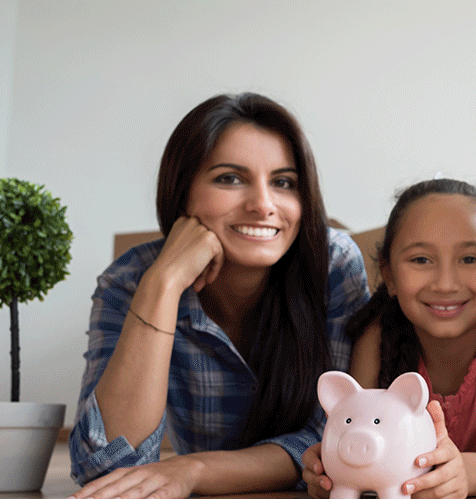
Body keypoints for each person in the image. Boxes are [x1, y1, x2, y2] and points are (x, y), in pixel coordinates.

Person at [68, 93, 370, 499]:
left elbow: (335, 438)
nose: (263, 205)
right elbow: (107, 465)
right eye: (230, 178)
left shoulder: (332, 264)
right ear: (182, 191)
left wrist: (190, 470)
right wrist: (164, 283)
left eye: (283, 183)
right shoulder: (131, 280)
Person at [302, 178, 476, 499]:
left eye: (470, 259)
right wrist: (333, 466)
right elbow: (354, 434)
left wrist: (461, 475)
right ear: (389, 274)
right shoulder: (378, 334)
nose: (445, 284)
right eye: (421, 260)